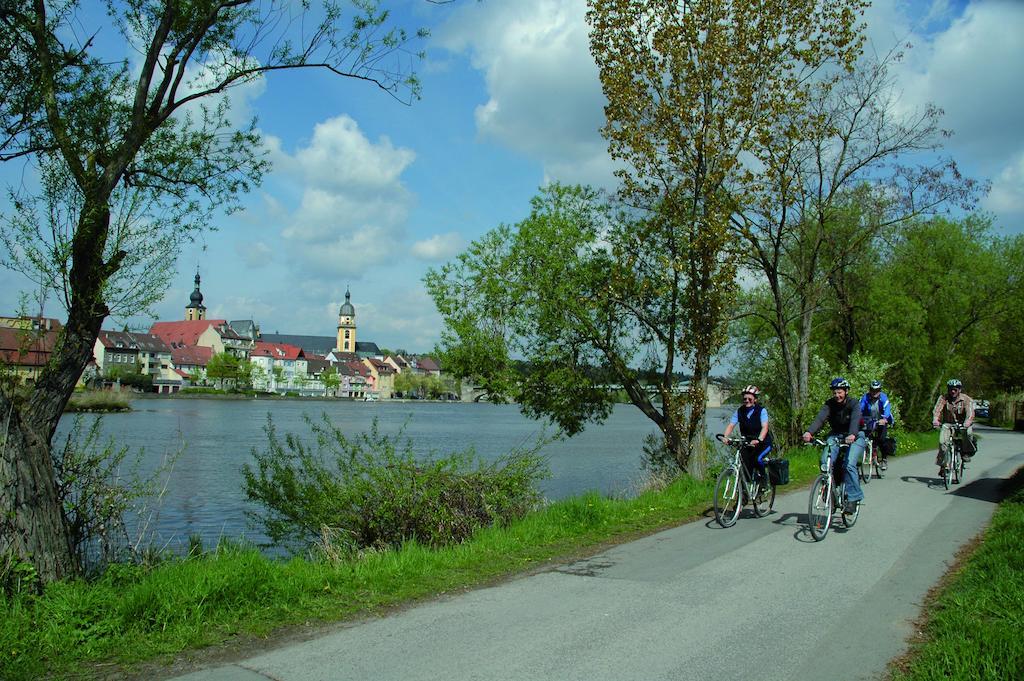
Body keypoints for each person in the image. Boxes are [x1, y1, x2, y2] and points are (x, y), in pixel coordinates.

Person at [802, 377, 865, 513]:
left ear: (846, 391)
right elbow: (820, 418)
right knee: (825, 461)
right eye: (835, 393)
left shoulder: (854, 403)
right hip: (836, 435)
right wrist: (809, 432)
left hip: (855, 436)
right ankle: (830, 490)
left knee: (849, 465)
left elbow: (855, 419)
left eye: (840, 392)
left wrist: (852, 434)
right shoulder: (829, 404)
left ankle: (853, 498)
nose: (837, 395)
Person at [722, 385, 773, 484]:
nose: (747, 400)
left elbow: (765, 428)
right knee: (744, 463)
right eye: (745, 398)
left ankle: (763, 480)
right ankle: (744, 491)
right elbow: (731, 425)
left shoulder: (761, 411)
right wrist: (726, 437)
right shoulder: (739, 411)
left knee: (758, 459)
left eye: (750, 398)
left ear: (755, 400)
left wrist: (759, 440)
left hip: (763, 443)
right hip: (747, 443)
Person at [932, 378, 975, 474]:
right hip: (948, 424)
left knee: (967, 433)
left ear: (959, 389)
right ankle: (943, 466)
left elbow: (970, 413)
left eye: (955, 389)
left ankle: (966, 453)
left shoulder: (966, 399)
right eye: (951, 389)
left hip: (963, 424)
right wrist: (935, 419)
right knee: (943, 442)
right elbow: (937, 410)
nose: (953, 391)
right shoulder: (943, 398)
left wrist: (967, 422)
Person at [859, 380, 894, 470]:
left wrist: (885, 419)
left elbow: (887, 408)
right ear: (870, 390)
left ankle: (884, 459)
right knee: (865, 437)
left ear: (880, 390)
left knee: (882, 440)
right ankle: (869, 453)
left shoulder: (883, 397)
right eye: (872, 390)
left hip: (882, 420)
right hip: (869, 420)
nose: (874, 392)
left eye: (877, 390)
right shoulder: (865, 397)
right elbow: (860, 408)